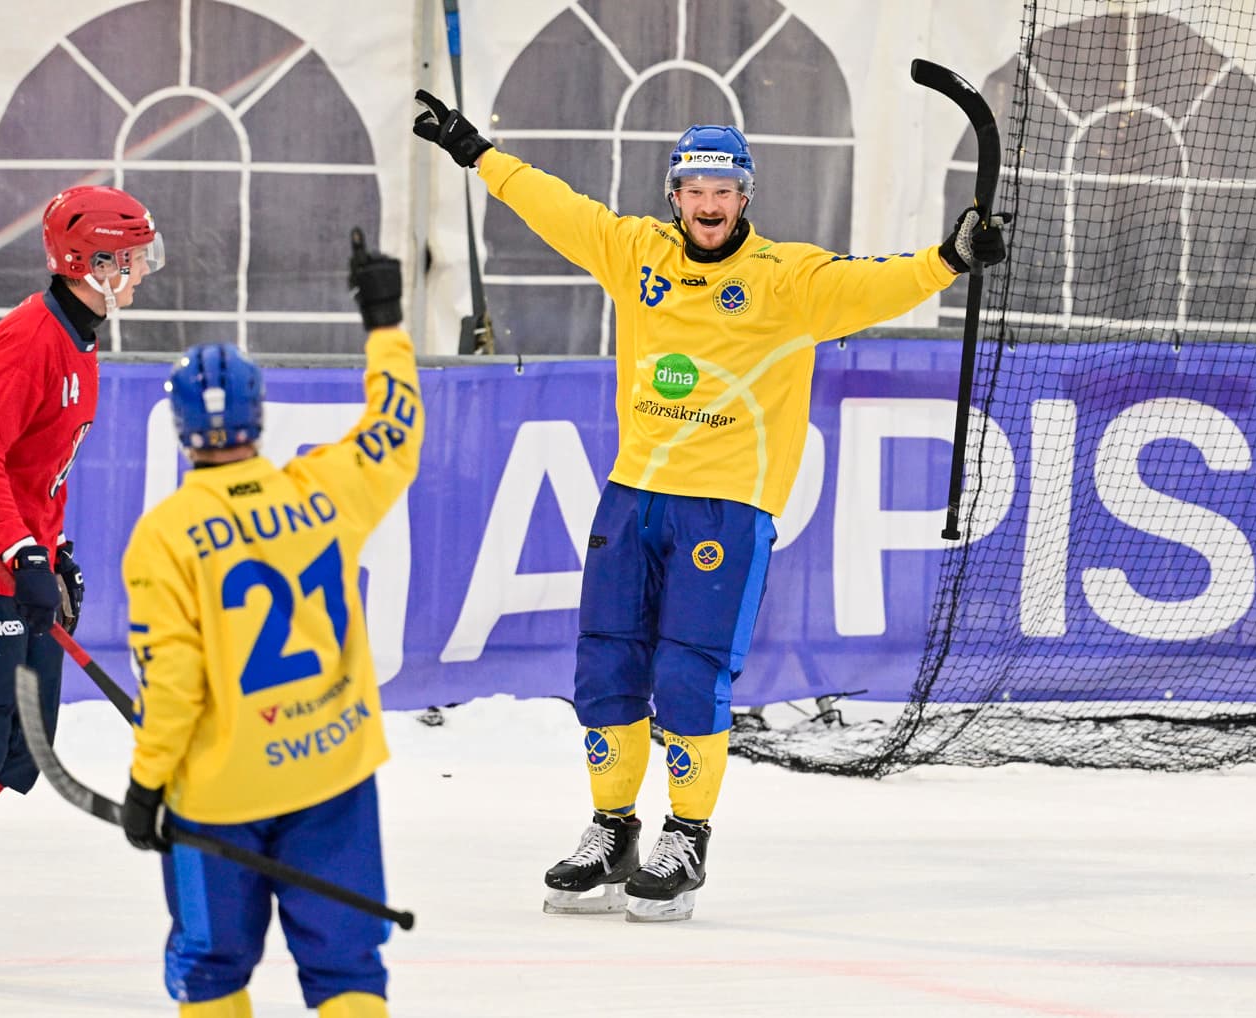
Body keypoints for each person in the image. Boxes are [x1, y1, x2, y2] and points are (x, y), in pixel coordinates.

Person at [413, 91, 1006, 923]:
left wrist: (950, 256)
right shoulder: (635, 254)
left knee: (690, 671)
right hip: (633, 496)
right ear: (675, 195)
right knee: (607, 665)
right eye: (695, 189)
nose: (709, 205)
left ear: (746, 197)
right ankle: (611, 829)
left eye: (724, 190)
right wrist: (476, 151)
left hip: (725, 509)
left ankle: (685, 838)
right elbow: (554, 204)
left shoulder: (787, 279)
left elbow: (877, 286)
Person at [118, 230, 421, 1018]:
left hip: (223, 790)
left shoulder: (166, 533)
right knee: (349, 969)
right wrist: (384, 322)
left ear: (182, 429)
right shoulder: (324, 489)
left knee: (214, 968)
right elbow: (397, 426)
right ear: (258, 414)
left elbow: (175, 685)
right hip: (332, 769)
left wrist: (148, 781)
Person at [0, 185, 163, 980]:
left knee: (21, 748)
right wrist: (20, 554)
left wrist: (52, 551)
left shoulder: (79, 337)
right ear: (97, 263)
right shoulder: (31, 342)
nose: (146, 270)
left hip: (7, 563)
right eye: (137, 256)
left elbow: (34, 470)